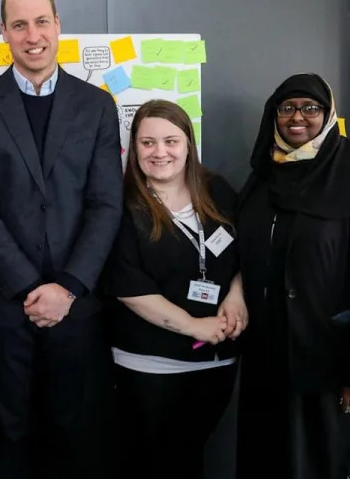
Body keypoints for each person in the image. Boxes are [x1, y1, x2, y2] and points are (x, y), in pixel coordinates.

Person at [0, 0, 123, 479]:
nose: (32, 35)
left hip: (79, 307)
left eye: (41, 21)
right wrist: (31, 288)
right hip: (8, 307)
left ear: (58, 26)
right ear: (3, 32)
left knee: (75, 435)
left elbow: (106, 205)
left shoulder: (97, 106)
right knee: (8, 436)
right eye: (19, 24)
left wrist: (67, 288)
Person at [234, 73, 350, 479]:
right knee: (271, 459)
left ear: (328, 116)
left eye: (311, 108)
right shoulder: (263, 178)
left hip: (335, 365)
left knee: (333, 463)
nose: (298, 117)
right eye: (287, 108)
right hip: (269, 359)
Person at [101, 99, 248, 479]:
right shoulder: (120, 204)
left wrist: (237, 295)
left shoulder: (217, 191)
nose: (160, 152)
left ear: (188, 144)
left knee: (190, 457)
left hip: (217, 361)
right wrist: (192, 325)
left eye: (171, 140)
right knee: (157, 463)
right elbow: (127, 285)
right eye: (148, 143)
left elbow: (248, 255)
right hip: (151, 365)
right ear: (134, 148)